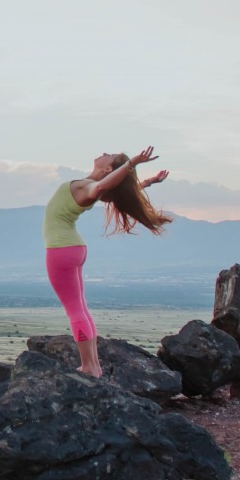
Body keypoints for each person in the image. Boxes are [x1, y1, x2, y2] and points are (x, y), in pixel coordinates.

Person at [43, 146, 172, 377]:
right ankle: (93, 365)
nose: (104, 152)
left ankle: (89, 366)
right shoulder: (89, 186)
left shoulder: (90, 186)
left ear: (107, 168)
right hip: (73, 248)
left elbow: (105, 185)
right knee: (81, 308)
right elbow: (115, 190)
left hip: (61, 250)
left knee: (75, 311)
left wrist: (132, 164)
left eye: (109, 155)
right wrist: (147, 182)